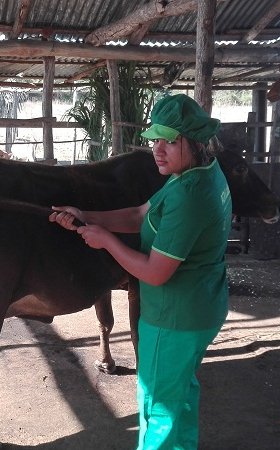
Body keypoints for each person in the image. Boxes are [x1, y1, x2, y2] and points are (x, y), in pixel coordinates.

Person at [50, 94, 232, 450]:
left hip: (175, 317)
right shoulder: (199, 172)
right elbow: (138, 215)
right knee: (180, 394)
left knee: (157, 408)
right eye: (154, 140)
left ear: (193, 141)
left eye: (169, 140)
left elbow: (154, 273)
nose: (157, 150)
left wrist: (106, 241)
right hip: (202, 305)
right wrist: (87, 215)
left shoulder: (190, 195)